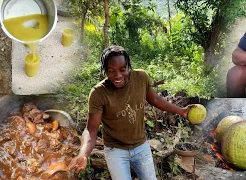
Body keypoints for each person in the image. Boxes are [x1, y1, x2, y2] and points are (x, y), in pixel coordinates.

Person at [68, 45, 194, 180]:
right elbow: (91, 130)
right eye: (111, 71)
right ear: (105, 70)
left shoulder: (141, 78)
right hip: (115, 150)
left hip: (141, 146)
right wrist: (83, 153)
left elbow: (156, 99)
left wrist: (181, 111)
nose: (118, 75)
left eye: (123, 69)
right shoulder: (99, 93)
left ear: (129, 66)